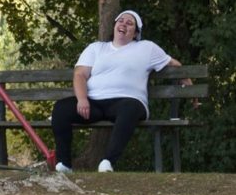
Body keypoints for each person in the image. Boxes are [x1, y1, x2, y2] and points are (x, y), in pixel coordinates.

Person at [51, 10, 191, 173]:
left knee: (130, 108)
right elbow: (80, 74)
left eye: (130, 23)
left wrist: (187, 83)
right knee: (61, 108)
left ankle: (107, 162)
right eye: (121, 21)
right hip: (94, 103)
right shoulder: (96, 48)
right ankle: (64, 165)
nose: (123, 24)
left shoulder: (147, 48)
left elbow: (174, 64)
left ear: (136, 32)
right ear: (115, 25)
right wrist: (82, 99)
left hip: (127, 101)